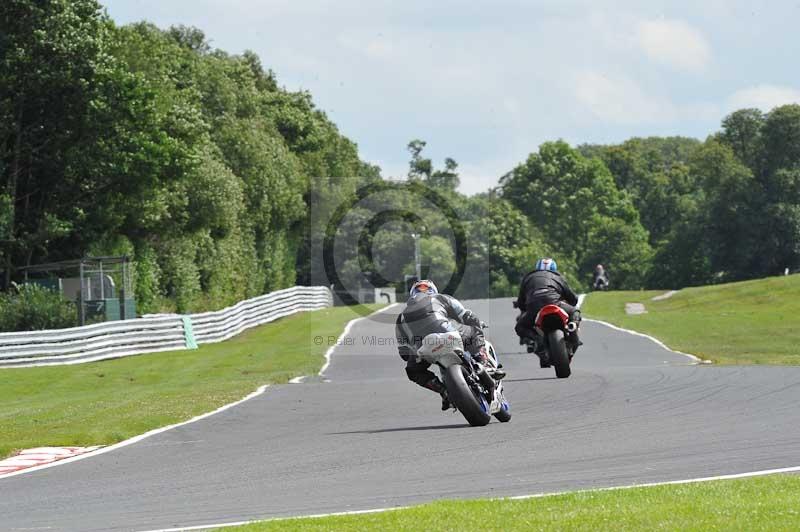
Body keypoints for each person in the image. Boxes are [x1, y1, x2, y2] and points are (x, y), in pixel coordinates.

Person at [395, 279, 504, 410]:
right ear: (433, 290)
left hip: (424, 348)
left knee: (413, 371)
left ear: (412, 294)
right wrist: (477, 324)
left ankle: (443, 390)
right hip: (449, 335)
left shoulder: (401, 317)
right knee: (474, 331)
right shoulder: (441, 298)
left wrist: (415, 353)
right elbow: (468, 316)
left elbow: (404, 353)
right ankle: (484, 363)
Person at [514, 258, 582, 365]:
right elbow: (572, 298)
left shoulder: (528, 278)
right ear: (554, 268)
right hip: (555, 303)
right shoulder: (558, 277)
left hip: (534, 307)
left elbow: (521, 301)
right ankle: (572, 326)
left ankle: (537, 339)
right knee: (575, 311)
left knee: (519, 327)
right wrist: (570, 303)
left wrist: (525, 309)